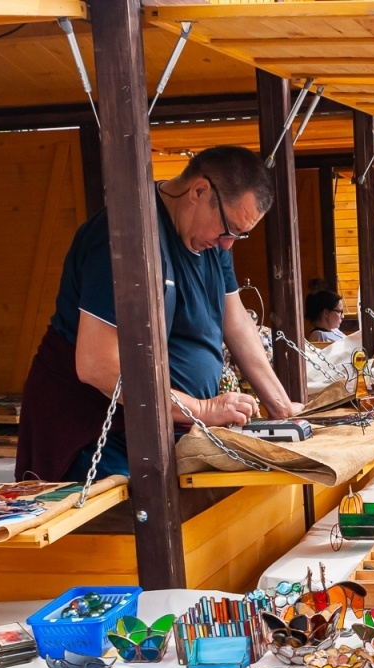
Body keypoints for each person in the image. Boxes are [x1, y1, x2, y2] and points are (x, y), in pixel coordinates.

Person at [16, 145, 300, 481]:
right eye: (228, 230)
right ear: (199, 190)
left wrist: (282, 408)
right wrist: (203, 409)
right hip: (98, 438)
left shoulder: (211, 240)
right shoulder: (124, 238)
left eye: (240, 234)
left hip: (172, 427)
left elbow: (235, 322)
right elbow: (98, 366)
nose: (228, 245)